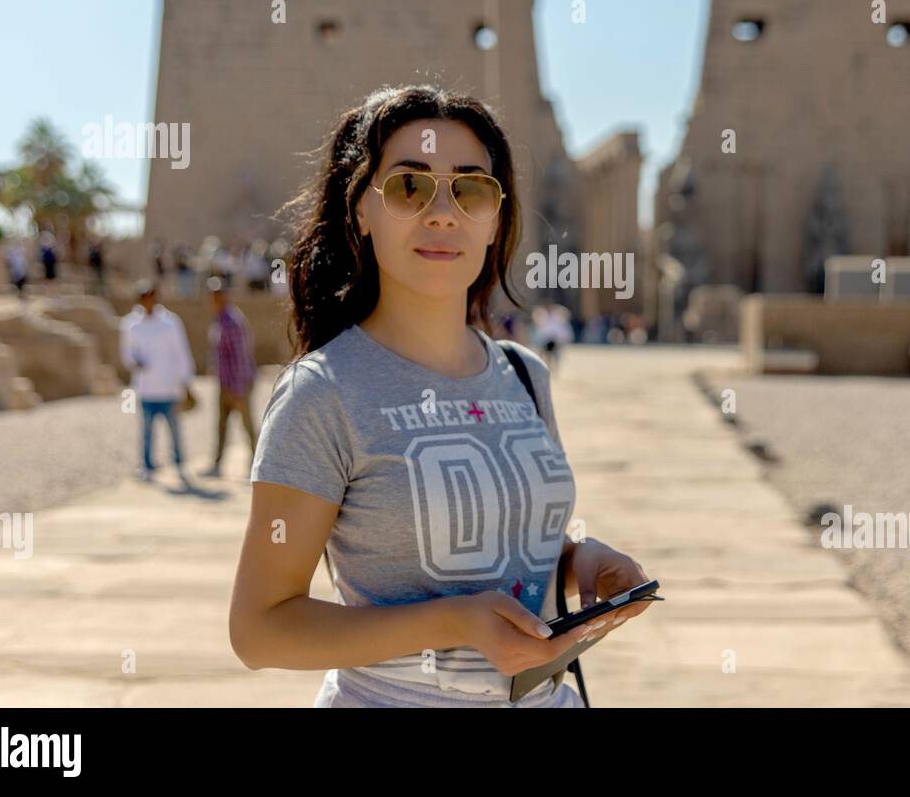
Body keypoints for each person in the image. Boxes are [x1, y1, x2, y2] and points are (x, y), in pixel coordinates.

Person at [229, 84, 653, 708]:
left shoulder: (524, 373)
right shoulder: (323, 395)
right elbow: (259, 630)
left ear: (496, 219)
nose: (443, 212)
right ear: (360, 212)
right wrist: (452, 625)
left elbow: (494, 538)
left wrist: (576, 561)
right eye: (409, 186)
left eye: (471, 189)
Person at [120, 280, 195, 480]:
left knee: (174, 429)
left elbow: (181, 353)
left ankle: (179, 462)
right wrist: (136, 362)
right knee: (146, 431)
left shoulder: (171, 323)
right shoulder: (131, 325)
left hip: (169, 386)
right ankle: (147, 464)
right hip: (146, 388)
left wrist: (186, 381)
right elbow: (127, 354)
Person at [201, 277, 258, 477]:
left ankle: (259, 463)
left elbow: (241, 357)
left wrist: (238, 389)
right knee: (221, 426)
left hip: (238, 383)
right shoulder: (219, 320)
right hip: (224, 383)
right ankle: (217, 463)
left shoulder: (232, 321)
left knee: (247, 425)